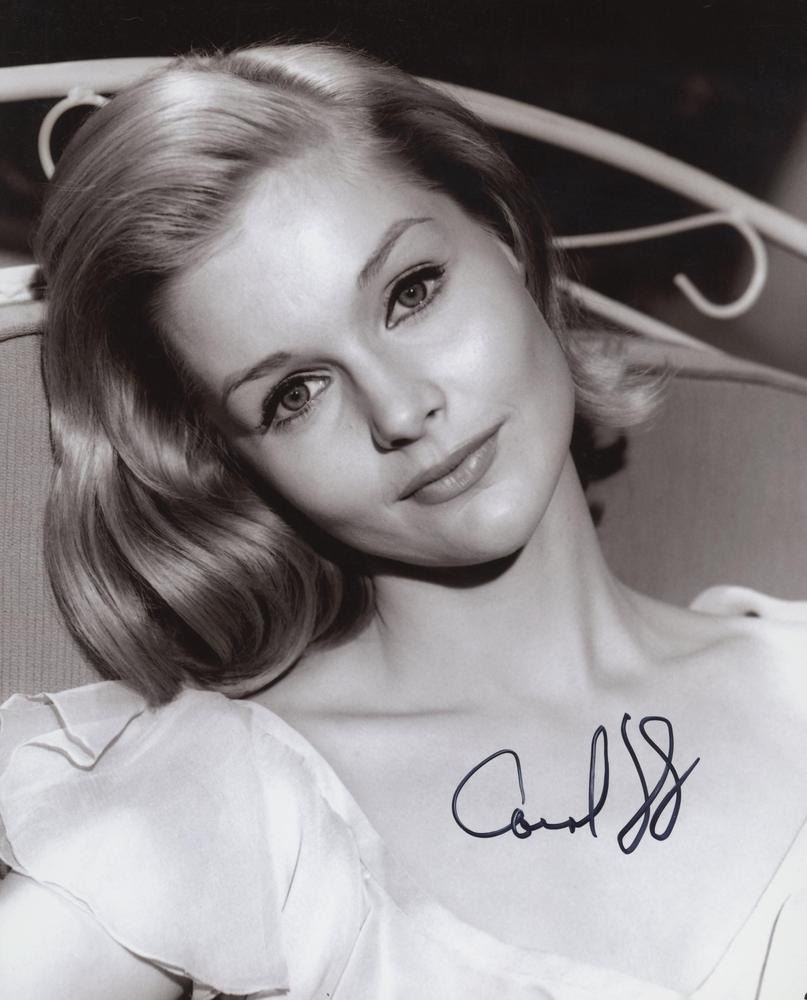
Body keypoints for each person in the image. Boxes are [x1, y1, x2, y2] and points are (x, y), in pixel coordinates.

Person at [0, 42, 805, 1000]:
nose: (399, 409)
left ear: (505, 237)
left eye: (410, 293)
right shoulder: (226, 801)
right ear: (229, 458)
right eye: (295, 393)